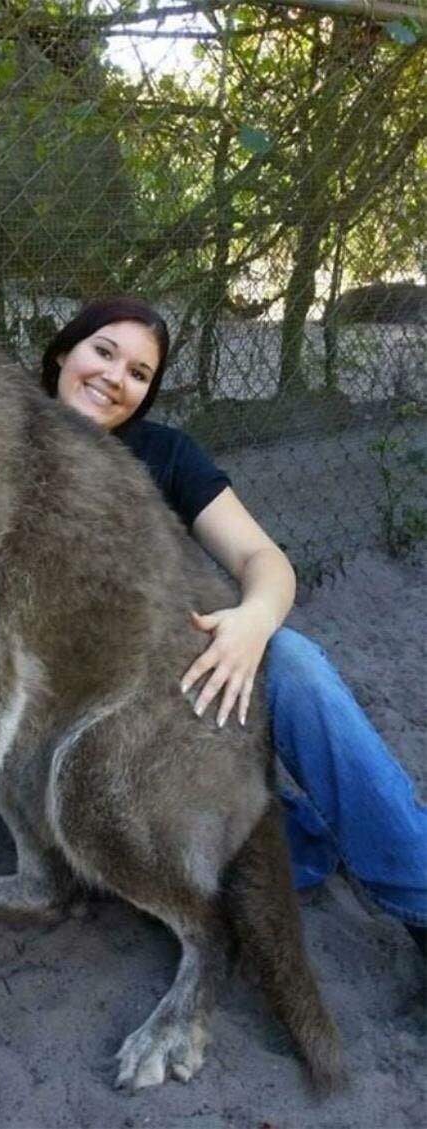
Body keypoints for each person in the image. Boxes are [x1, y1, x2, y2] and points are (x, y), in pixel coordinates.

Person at [39, 295, 426, 948]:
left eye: (139, 372)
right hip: (66, 722)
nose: (115, 377)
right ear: (61, 355)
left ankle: (420, 901)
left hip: (167, 682)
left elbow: (262, 557)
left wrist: (252, 620)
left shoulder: (162, 454)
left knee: (293, 661)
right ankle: (298, 833)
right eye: (103, 352)